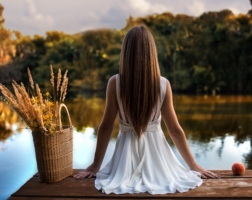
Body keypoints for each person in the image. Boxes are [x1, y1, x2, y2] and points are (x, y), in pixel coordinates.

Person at [74, 26, 219, 194]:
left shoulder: (115, 82)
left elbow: (106, 127)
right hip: (158, 160)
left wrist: (95, 165)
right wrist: (193, 165)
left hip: (125, 161)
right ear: (151, 52)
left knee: (120, 181)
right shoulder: (163, 84)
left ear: (126, 53)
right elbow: (174, 130)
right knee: (170, 180)